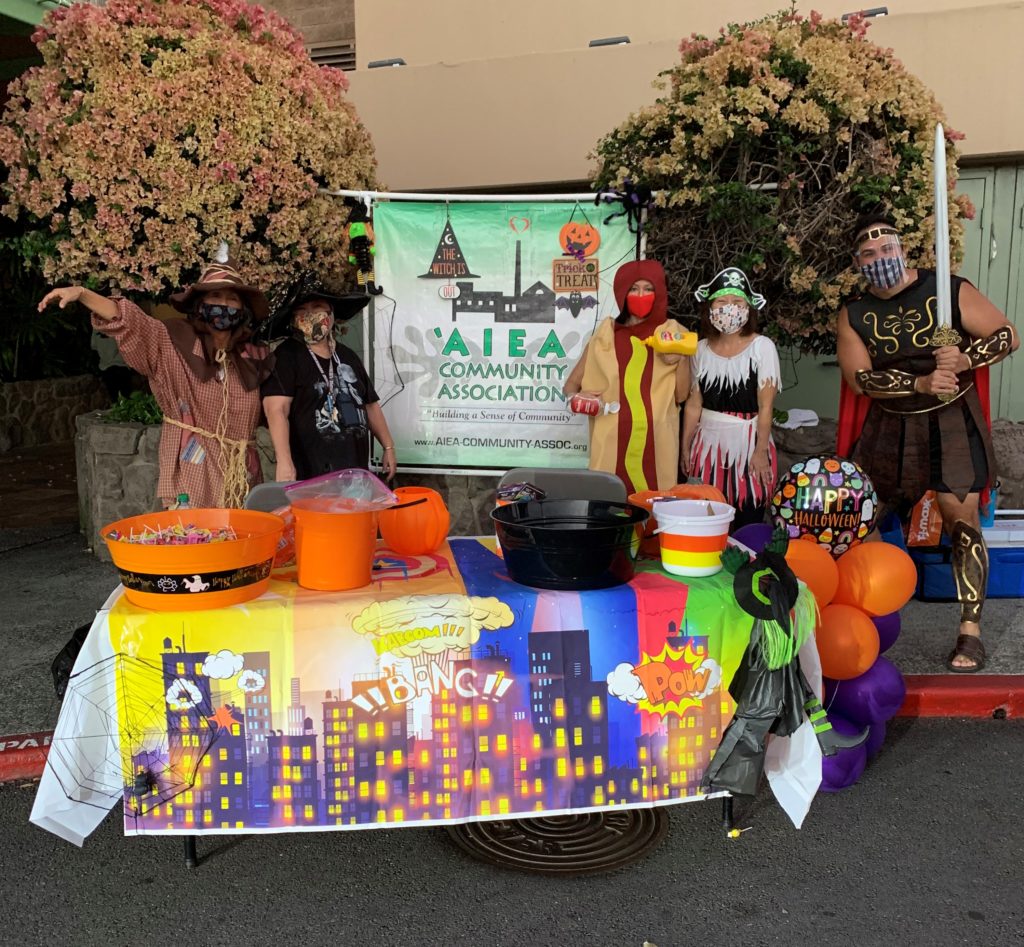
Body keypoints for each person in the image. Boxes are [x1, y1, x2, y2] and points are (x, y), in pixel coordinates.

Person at [836, 213, 1018, 672]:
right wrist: (919, 383)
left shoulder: (948, 288)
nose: (881, 257)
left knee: (962, 519)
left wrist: (963, 358)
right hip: (889, 426)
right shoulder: (855, 312)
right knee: (859, 519)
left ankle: (970, 632)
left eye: (887, 248)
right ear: (857, 261)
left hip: (951, 422)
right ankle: (868, 617)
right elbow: (860, 379)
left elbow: (1007, 334)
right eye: (869, 252)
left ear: (902, 247)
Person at [39, 256, 274, 509]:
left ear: (243, 309)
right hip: (193, 466)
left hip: (241, 475)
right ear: (200, 303)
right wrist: (83, 294)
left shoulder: (252, 356)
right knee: (194, 541)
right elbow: (131, 323)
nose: (223, 305)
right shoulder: (172, 341)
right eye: (215, 296)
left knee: (244, 543)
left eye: (232, 299)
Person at [563, 259, 690, 494]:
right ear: (622, 292)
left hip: (657, 448)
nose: (641, 295)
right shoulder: (605, 337)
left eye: (648, 288)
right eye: (634, 288)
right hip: (610, 447)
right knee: (609, 513)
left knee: (654, 517)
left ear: (659, 292)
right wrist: (577, 399)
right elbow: (570, 385)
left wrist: (681, 359)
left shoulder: (674, 334)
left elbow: (681, 396)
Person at [261, 285, 396, 482]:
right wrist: (284, 462)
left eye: (318, 307)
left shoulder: (347, 356)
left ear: (331, 313)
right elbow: (275, 409)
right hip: (311, 473)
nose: (311, 315)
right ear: (292, 317)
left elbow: (370, 404)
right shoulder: (286, 357)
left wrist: (388, 446)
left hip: (355, 472)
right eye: (302, 310)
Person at [681, 267, 781, 531]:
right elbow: (694, 403)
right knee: (707, 515)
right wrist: (686, 445)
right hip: (708, 445)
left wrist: (760, 452)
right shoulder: (699, 349)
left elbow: (766, 405)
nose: (730, 308)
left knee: (748, 514)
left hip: (748, 443)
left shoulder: (763, 347)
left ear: (748, 309)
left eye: (737, 302)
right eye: (722, 302)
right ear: (709, 308)